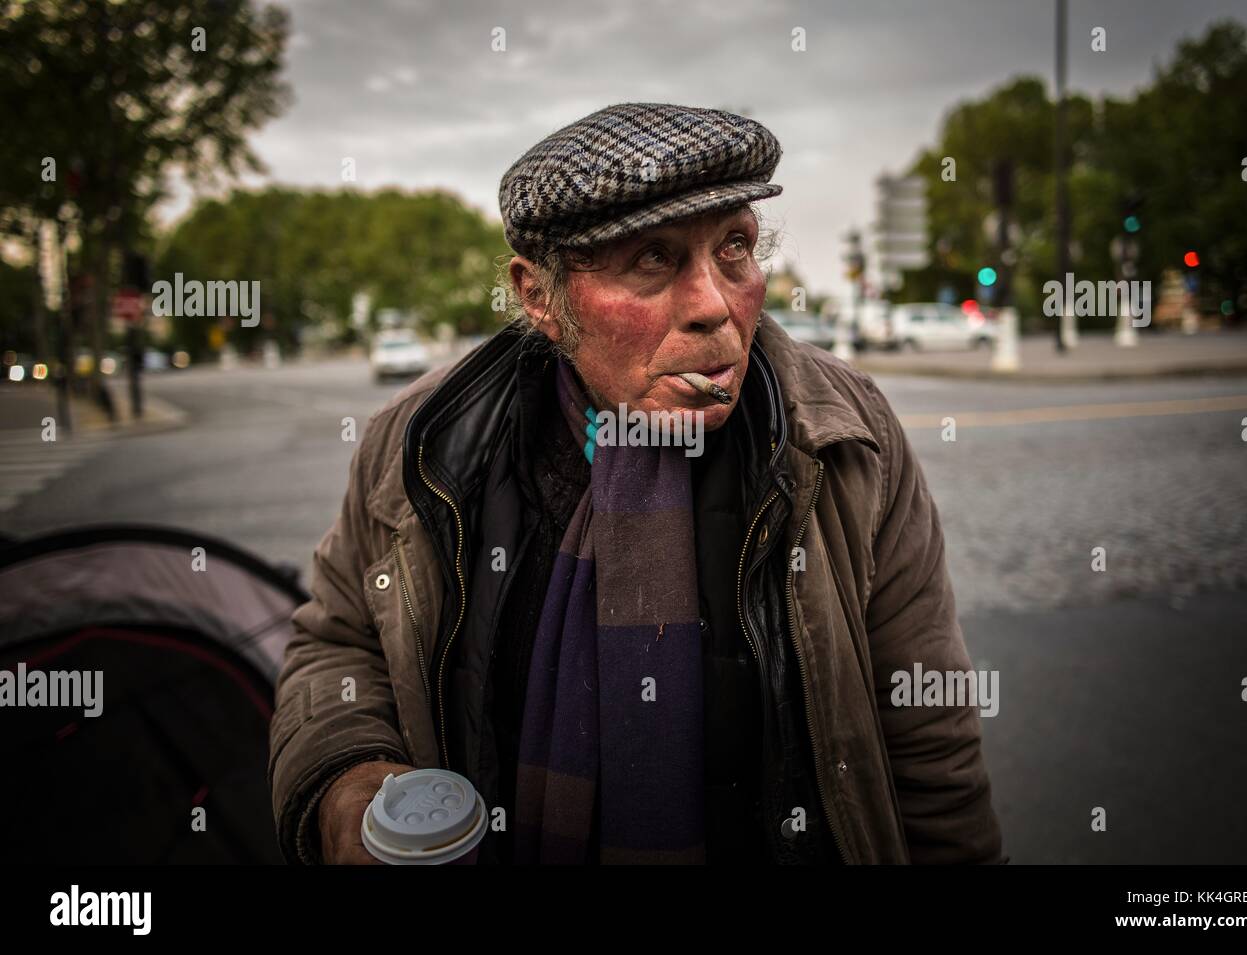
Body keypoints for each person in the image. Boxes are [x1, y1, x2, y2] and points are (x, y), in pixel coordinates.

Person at [268, 102, 1005, 864]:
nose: (714, 305)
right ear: (538, 296)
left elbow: (929, 743)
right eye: (652, 259)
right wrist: (347, 788)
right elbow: (337, 644)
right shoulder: (419, 445)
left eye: (734, 250)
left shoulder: (849, 438)